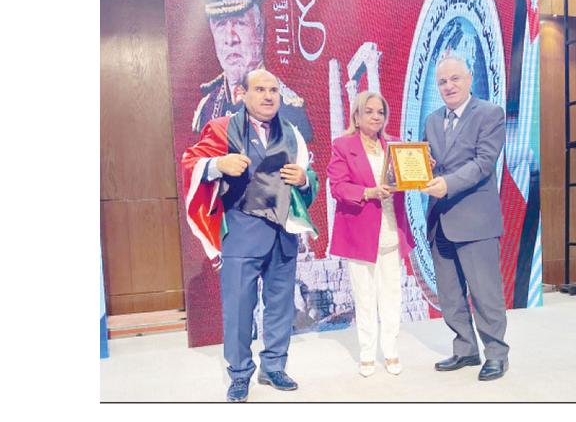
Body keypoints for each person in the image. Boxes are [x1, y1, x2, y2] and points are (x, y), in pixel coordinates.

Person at [181, 69, 319, 402]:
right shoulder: (222, 127)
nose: (268, 96)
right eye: (260, 89)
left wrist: (304, 179)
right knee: (239, 311)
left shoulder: (292, 134)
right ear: (243, 94)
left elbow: (309, 178)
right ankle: (240, 374)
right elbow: (190, 162)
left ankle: (274, 367)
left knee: (280, 307)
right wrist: (219, 165)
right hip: (241, 234)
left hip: (283, 234)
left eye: (273, 90)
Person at [421, 53, 510, 381]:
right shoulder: (432, 120)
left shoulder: (490, 113)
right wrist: (424, 166)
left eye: (455, 79)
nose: (449, 86)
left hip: (476, 221)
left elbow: (484, 162)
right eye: (442, 81)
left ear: (469, 78)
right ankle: (466, 349)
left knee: (485, 293)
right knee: (450, 294)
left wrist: (447, 183)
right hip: (440, 220)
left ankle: (496, 354)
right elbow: (432, 163)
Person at [327, 91, 415, 377]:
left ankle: (391, 350)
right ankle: (367, 352)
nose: (376, 117)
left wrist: (423, 169)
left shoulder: (395, 145)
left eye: (381, 112)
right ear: (356, 116)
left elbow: (409, 178)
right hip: (360, 234)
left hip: (392, 232)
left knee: (392, 296)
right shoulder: (343, 146)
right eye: (369, 111)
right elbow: (338, 187)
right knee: (364, 297)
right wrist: (368, 192)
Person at [193, 0, 313, 144]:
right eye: (221, 24)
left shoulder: (288, 110)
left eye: (240, 23)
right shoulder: (208, 108)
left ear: (260, 28)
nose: (230, 39)